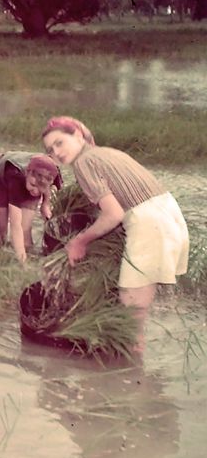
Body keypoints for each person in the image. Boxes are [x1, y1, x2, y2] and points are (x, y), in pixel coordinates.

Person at [41, 115, 189, 352]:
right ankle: (133, 375)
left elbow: (113, 214)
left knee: (129, 318)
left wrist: (79, 241)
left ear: (78, 134)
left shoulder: (83, 163)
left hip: (149, 224)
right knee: (135, 311)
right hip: (170, 216)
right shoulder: (107, 153)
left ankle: (133, 376)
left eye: (60, 143)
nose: (56, 152)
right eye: (50, 149)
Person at [0, 151, 62, 262]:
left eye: (40, 188)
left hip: (27, 180)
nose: (35, 191)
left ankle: (29, 255)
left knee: (26, 229)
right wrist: (22, 261)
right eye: (33, 185)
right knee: (2, 227)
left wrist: (45, 204)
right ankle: (2, 251)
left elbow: (49, 188)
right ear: (27, 173)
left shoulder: (53, 173)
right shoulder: (15, 176)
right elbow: (15, 224)